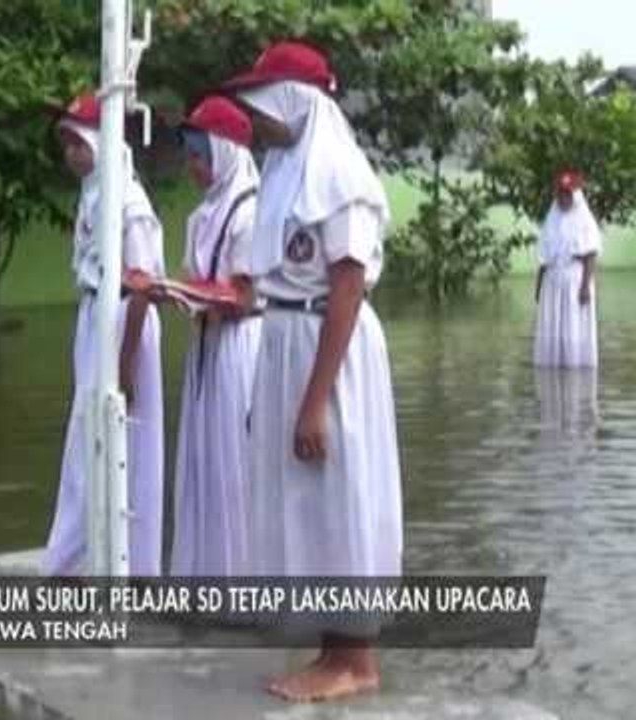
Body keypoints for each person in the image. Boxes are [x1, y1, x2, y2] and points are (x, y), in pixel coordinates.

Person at [219, 41, 403, 701]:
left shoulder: (340, 177)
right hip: (288, 338)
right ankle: (332, 649)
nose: (257, 121)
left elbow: (346, 288)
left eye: (263, 104)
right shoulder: (284, 171)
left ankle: (356, 659)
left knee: (338, 494)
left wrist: (313, 401)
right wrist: (272, 395)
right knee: (306, 502)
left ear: (294, 99)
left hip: (332, 345)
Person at [43, 92, 165, 576]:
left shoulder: (128, 200)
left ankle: (122, 562)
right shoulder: (95, 191)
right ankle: (82, 556)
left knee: (121, 439)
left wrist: (127, 359)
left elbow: (142, 283)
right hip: (95, 316)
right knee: (86, 438)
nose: (72, 153)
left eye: (80, 142)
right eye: (66, 143)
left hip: (121, 320)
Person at [168, 96, 261, 576]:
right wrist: (176, 291)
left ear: (223, 153)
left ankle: (243, 575)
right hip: (206, 347)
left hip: (237, 348)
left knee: (234, 463)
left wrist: (185, 291)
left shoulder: (250, 210)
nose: (192, 167)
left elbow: (243, 296)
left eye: (199, 156)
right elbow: (196, 279)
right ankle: (206, 572)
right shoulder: (202, 215)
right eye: (189, 156)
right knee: (204, 459)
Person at [534, 169, 602, 368]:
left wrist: (584, 287)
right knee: (552, 328)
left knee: (574, 326)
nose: (564, 198)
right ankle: (553, 370)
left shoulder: (584, 219)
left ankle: (575, 369)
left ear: (575, 195)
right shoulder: (552, 218)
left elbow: (590, 254)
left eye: (568, 194)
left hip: (575, 281)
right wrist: (538, 288)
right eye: (561, 193)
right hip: (552, 282)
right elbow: (543, 259)